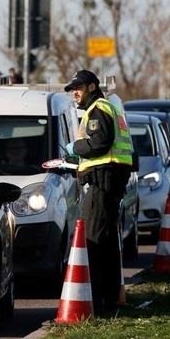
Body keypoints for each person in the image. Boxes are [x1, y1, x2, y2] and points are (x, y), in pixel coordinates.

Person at [63, 69, 133, 316]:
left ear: (92, 87)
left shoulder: (98, 109)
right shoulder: (109, 108)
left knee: (93, 240)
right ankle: (110, 299)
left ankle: (97, 303)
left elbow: (100, 143)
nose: (75, 94)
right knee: (107, 242)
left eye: (78, 88)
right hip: (109, 179)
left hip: (102, 182)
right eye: (73, 89)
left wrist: (77, 147)